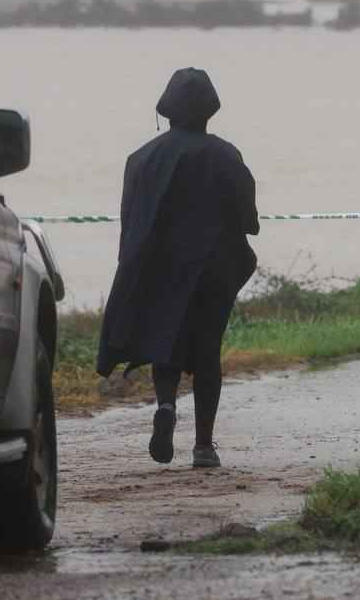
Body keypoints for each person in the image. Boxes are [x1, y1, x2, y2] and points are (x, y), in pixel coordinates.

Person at [96, 68, 259, 468]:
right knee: (207, 350)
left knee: (164, 340)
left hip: (159, 266)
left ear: (166, 110)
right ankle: (203, 445)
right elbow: (248, 219)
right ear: (209, 112)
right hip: (213, 267)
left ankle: (166, 405)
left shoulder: (140, 159)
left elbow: (129, 222)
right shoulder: (226, 155)